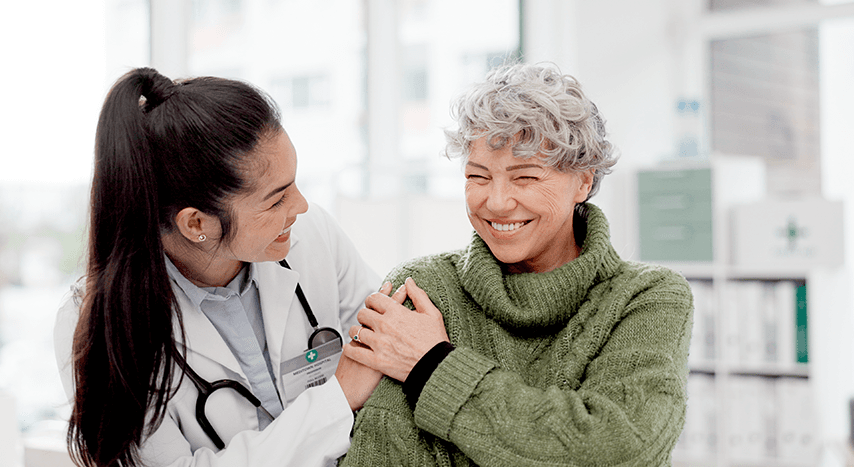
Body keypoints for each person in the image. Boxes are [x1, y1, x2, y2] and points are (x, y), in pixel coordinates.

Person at [340, 62, 694, 466]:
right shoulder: (424, 288)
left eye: (524, 178)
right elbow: (383, 454)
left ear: (583, 180)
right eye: (478, 176)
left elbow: (619, 450)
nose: (496, 201)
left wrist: (432, 366)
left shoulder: (648, 297)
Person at [52, 67, 390, 467]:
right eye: (276, 199)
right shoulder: (100, 326)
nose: (300, 206)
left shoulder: (312, 237)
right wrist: (336, 400)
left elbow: (385, 355)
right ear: (196, 224)